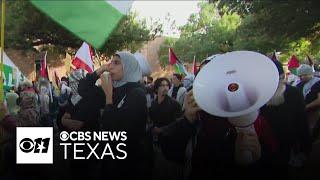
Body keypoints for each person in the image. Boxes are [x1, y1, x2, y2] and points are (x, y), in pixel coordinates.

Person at [100, 52, 149, 180]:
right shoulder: (116, 88)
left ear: (129, 67)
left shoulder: (137, 94)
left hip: (128, 163)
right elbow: (84, 89)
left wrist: (108, 99)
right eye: (111, 62)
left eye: (116, 63)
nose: (110, 67)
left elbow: (120, 133)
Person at [149, 77, 183, 180]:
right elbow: (152, 118)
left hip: (170, 142)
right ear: (156, 88)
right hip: (157, 142)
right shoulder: (153, 103)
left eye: (167, 85)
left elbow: (179, 122)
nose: (165, 88)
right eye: (162, 85)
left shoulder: (174, 104)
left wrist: (163, 130)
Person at [296, 64, 320, 142]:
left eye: (304, 75)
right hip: (302, 114)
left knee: (313, 132)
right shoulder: (299, 84)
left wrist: (306, 106)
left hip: (315, 113)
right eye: (300, 75)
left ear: (310, 74)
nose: (302, 77)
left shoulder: (318, 83)